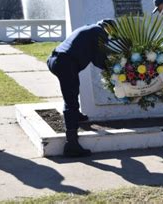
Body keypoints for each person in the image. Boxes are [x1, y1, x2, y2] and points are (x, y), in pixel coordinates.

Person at [47, 19, 114, 157]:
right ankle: (71, 144)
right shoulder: (99, 32)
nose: (109, 38)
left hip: (57, 60)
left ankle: (76, 115)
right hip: (65, 63)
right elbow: (99, 58)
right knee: (70, 99)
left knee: (73, 89)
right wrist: (114, 70)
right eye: (111, 34)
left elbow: (95, 58)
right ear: (108, 29)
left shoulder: (88, 28)